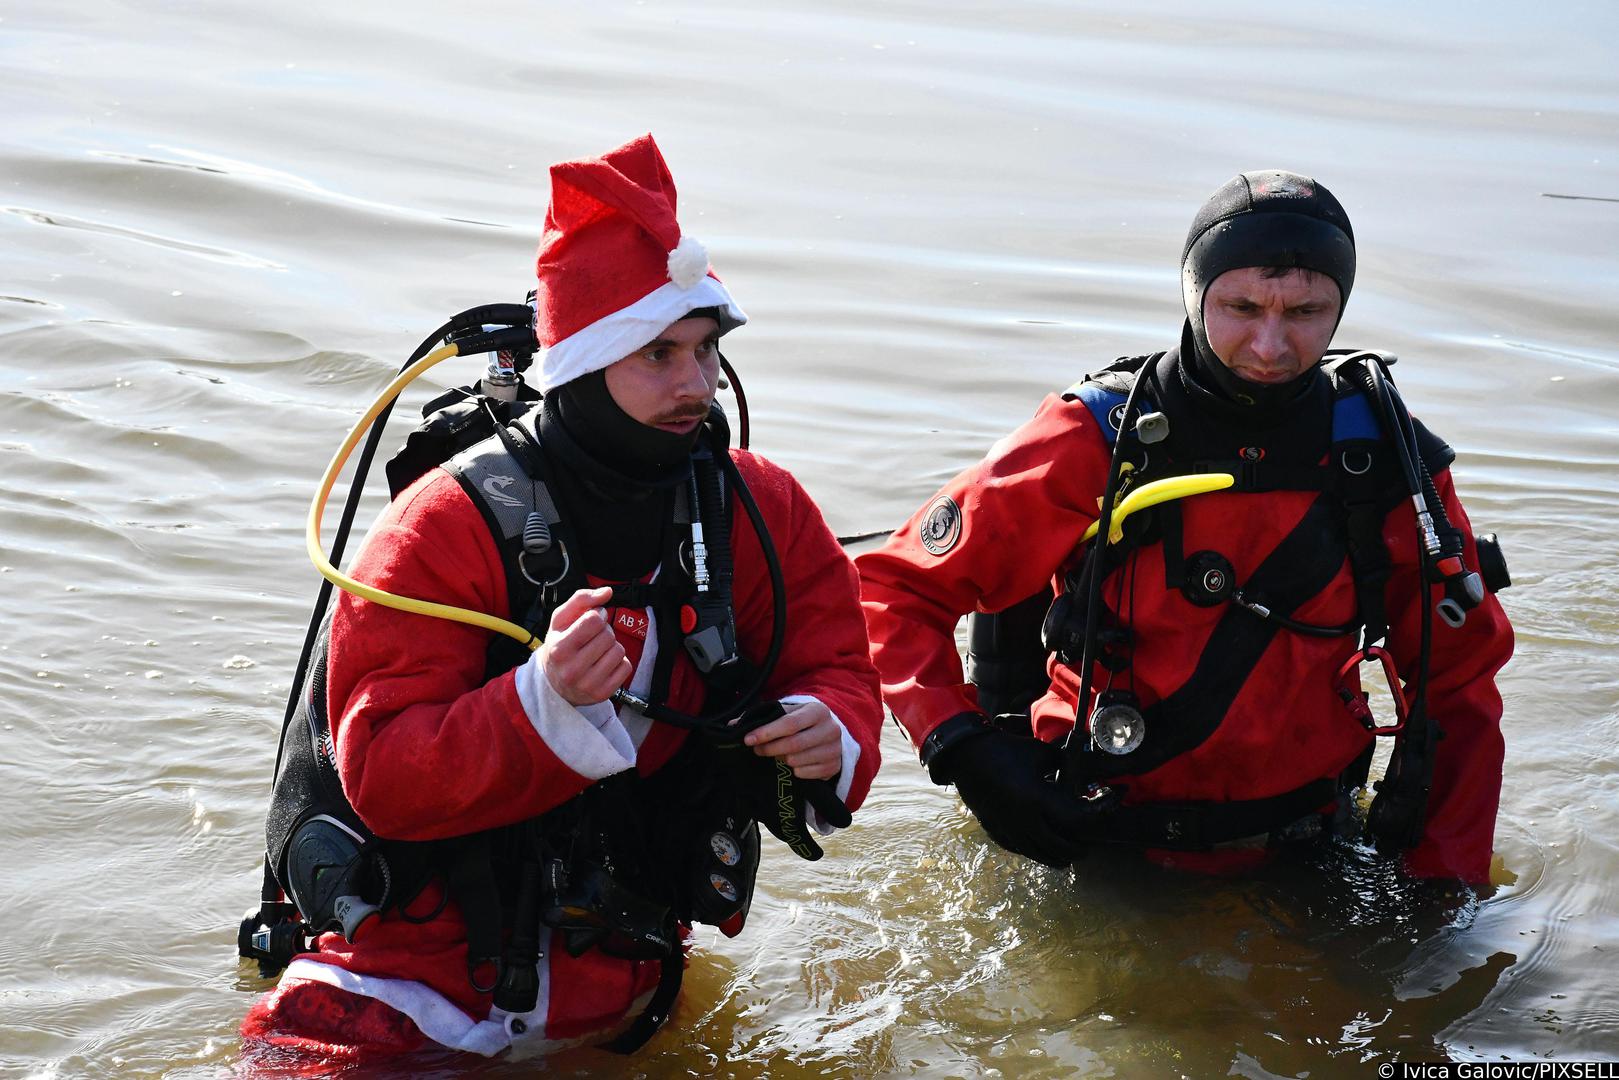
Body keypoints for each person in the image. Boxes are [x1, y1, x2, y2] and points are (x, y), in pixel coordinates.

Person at [240, 134, 883, 1061]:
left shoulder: (762, 505)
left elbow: (837, 661)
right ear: (583, 365)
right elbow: (378, 773)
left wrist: (831, 728)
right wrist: (536, 704)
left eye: (704, 352)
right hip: (405, 991)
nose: (695, 386)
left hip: (629, 991)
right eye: (657, 355)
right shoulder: (441, 527)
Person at [857, 170, 1513, 884]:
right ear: (1193, 295)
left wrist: (1446, 895)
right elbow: (885, 595)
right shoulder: (1094, 441)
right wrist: (962, 750)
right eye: (1240, 306)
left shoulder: (1385, 460)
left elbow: (1458, 683)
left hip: (1309, 851)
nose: (1269, 344)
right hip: (1091, 842)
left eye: (1304, 312)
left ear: (1339, 309)